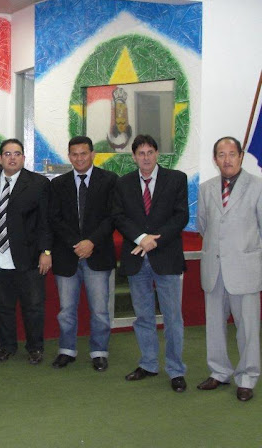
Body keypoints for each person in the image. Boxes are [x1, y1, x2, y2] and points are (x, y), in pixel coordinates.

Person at [112, 134, 188, 393]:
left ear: (157, 154)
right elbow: (119, 217)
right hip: (136, 260)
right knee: (143, 316)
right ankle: (148, 364)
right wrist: (141, 238)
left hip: (166, 257)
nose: (146, 157)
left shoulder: (176, 179)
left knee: (173, 318)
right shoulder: (123, 183)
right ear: (134, 157)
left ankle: (176, 370)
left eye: (150, 152)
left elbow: (181, 216)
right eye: (141, 153)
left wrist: (155, 240)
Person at [196, 137, 262, 402]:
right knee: (214, 325)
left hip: (244, 268)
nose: (227, 159)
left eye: (232, 154)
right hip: (214, 268)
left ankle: (247, 377)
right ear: (215, 159)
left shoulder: (257, 187)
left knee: (247, 328)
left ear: (241, 156)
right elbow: (203, 225)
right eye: (221, 154)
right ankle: (219, 371)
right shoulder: (206, 189)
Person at [50, 136, 118, 371]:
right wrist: (76, 243)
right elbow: (55, 219)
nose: (79, 158)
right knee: (66, 311)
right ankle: (66, 350)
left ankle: (99, 352)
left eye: (84, 153)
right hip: (66, 256)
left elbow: (113, 217)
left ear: (92, 154)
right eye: (74, 154)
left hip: (98, 255)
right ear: (69, 156)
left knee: (99, 310)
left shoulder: (109, 180)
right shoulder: (58, 184)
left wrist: (91, 242)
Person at [0, 139, 52, 365]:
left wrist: (46, 251)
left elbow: (45, 221)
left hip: (28, 256)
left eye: (17, 153)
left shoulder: (38, 183)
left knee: (33, 307)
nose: (12, 158)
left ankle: (35, 348)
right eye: (7, 154)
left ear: (23, 157)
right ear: (0, 158)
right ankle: (7, 346)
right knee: (2, 307)